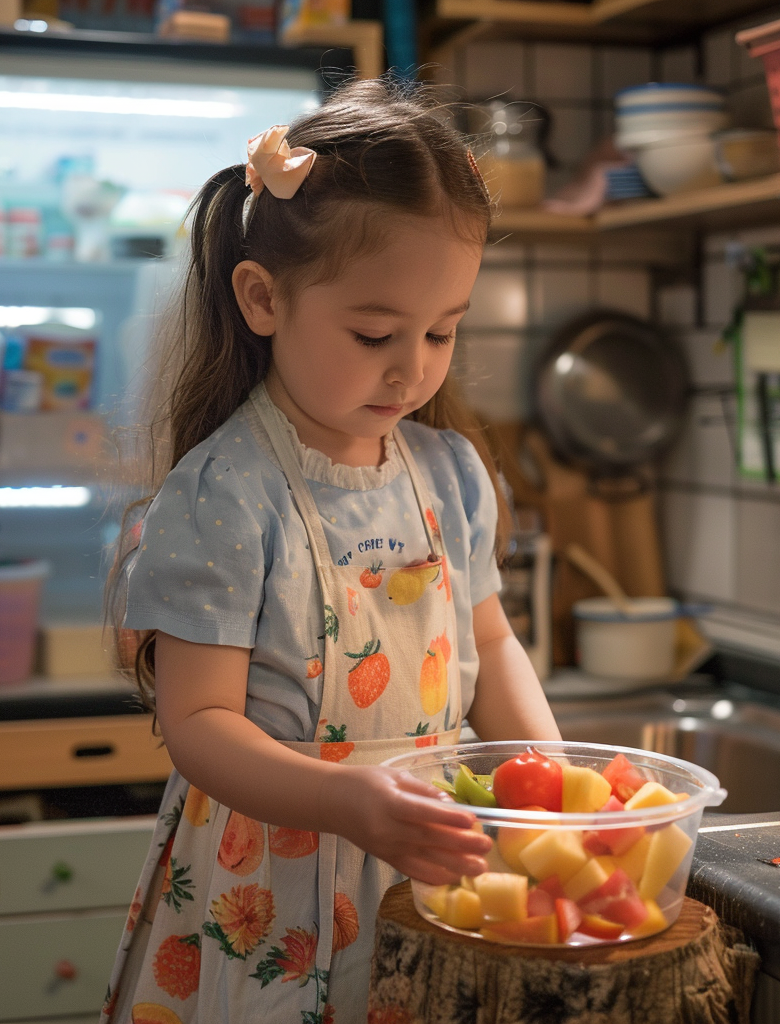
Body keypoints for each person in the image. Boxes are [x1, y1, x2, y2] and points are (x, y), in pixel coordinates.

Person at [101, 76, 561, 1024]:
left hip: (424, 864)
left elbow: (495, 644)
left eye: (442, 331)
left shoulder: (452, 472)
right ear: (263, 298)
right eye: (375, 332)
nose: (415, 367)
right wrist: (352, 802)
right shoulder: (225, 492)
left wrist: (546, 783)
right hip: (274, 882)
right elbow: (200, 726)